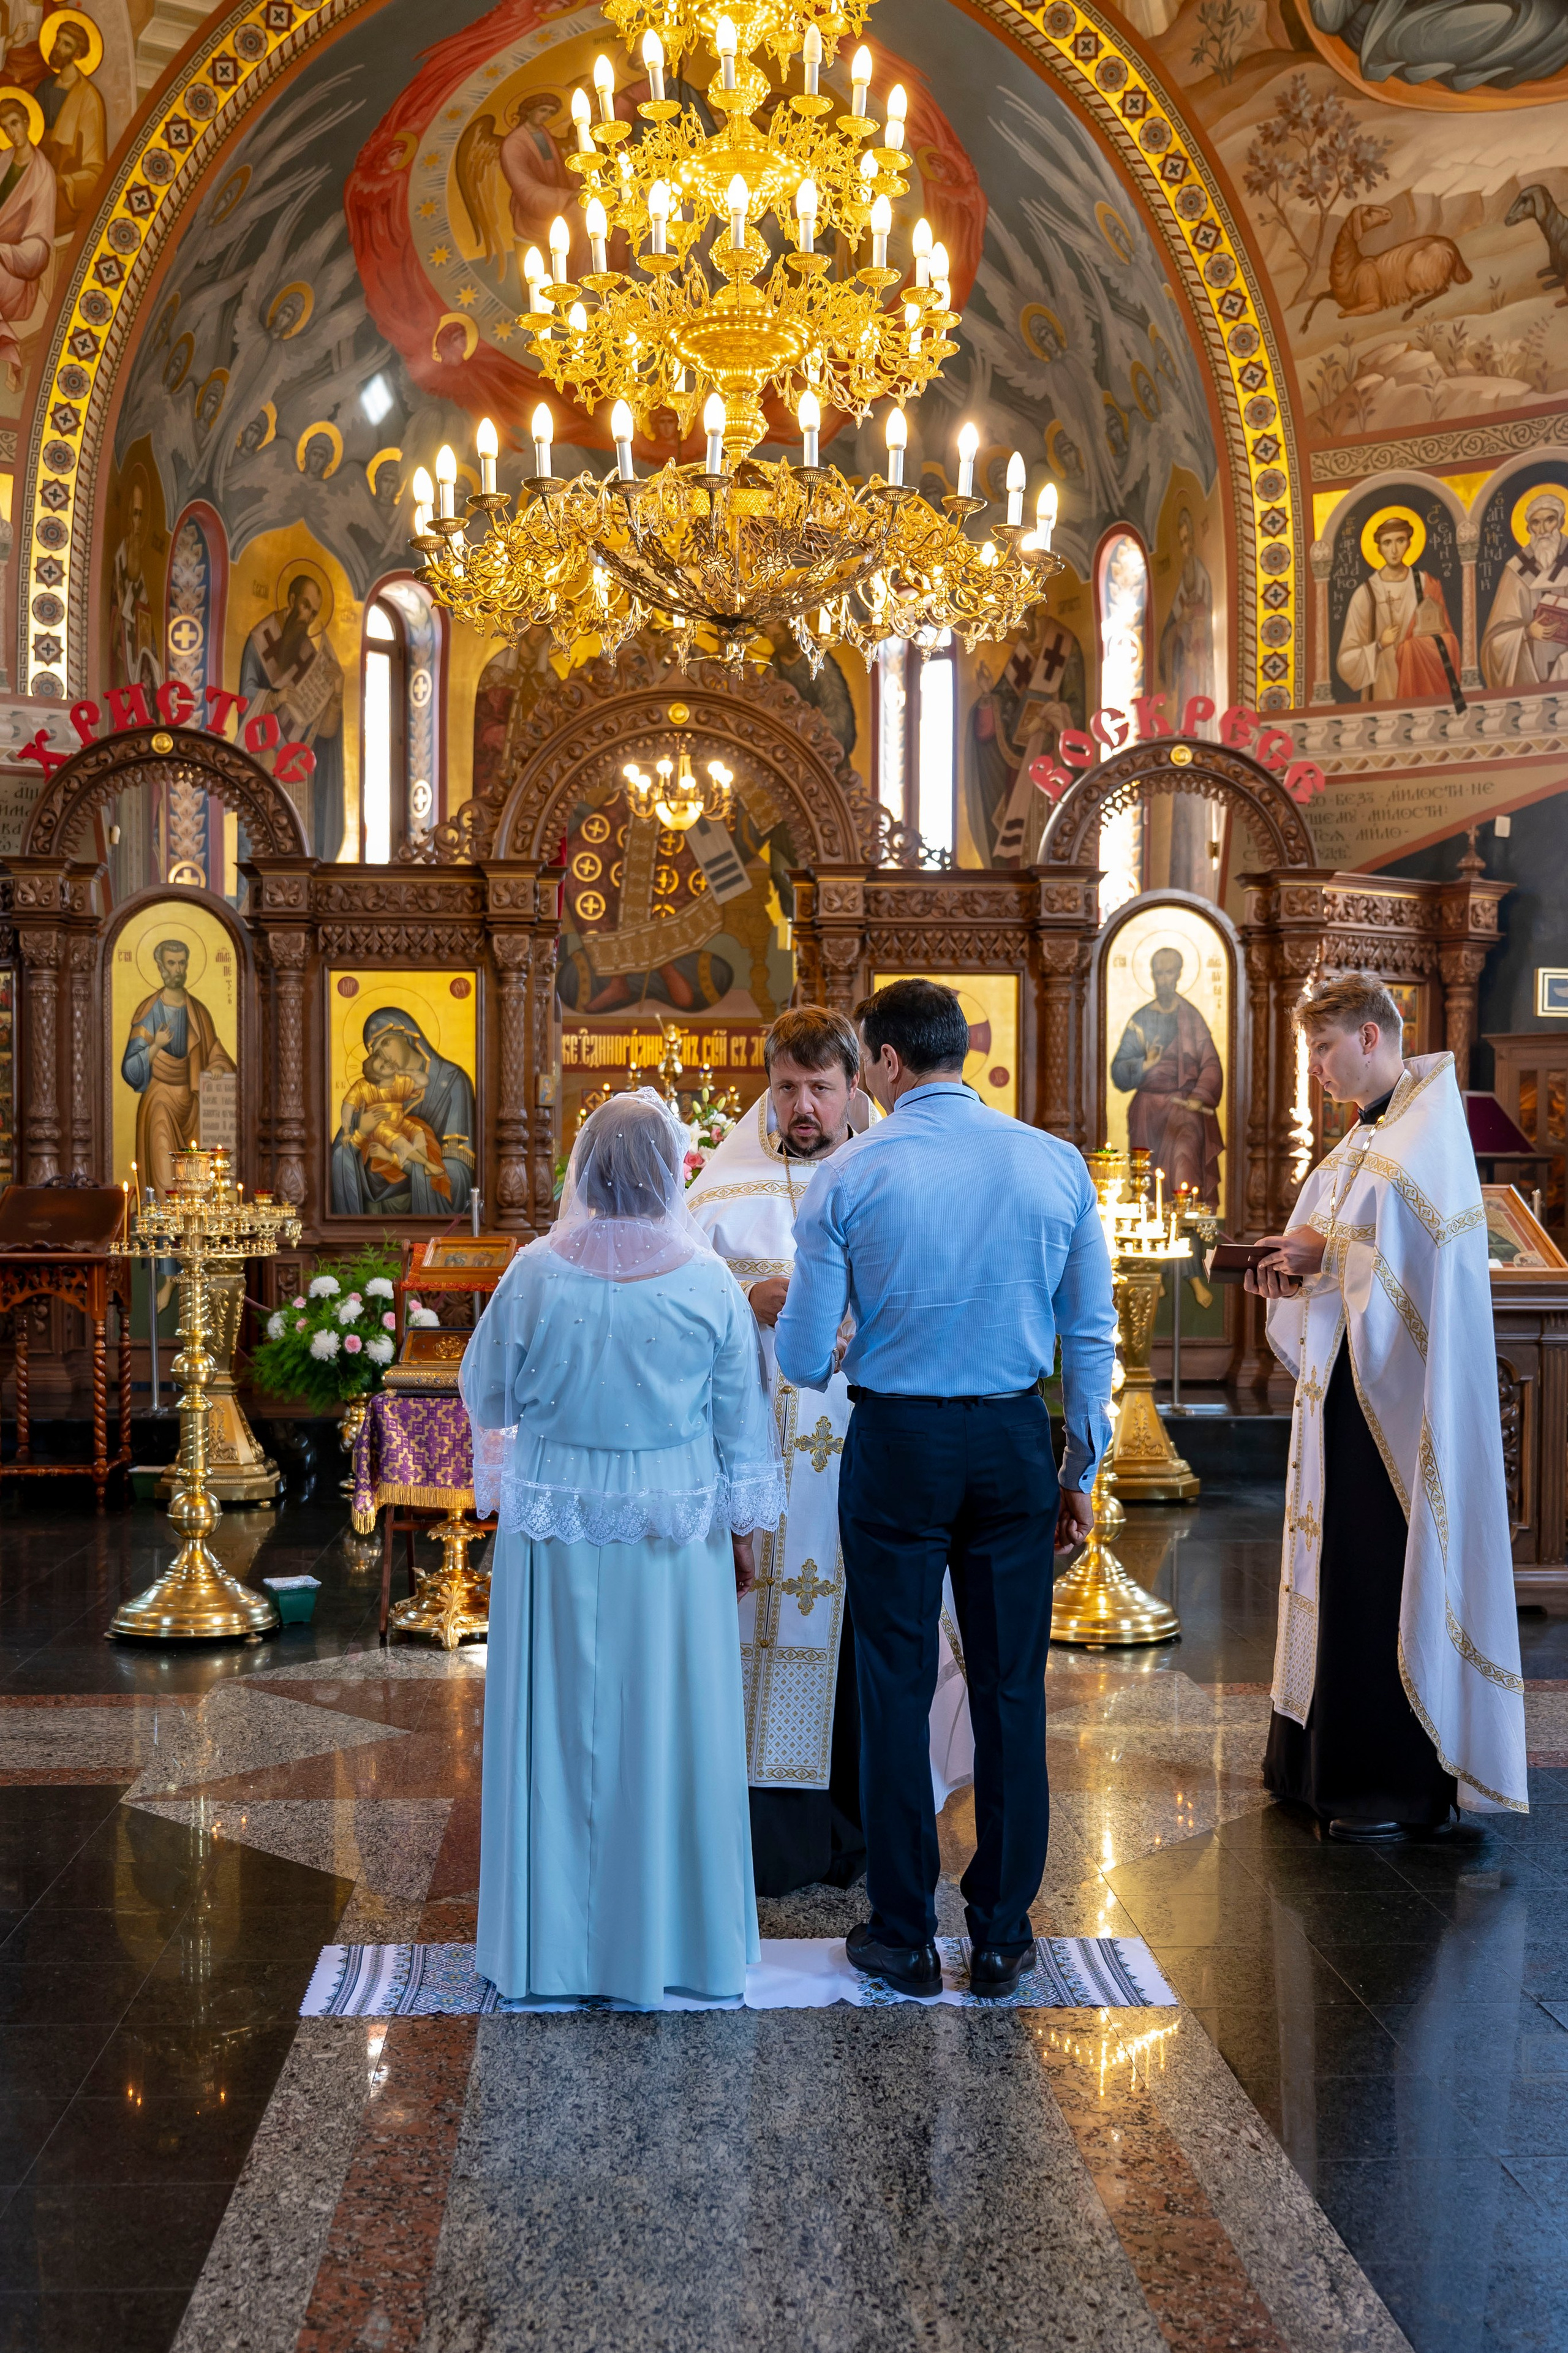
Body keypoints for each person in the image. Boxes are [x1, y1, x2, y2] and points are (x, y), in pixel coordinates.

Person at [777, 979, 1115, 2000]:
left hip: (898, 1442)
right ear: (962, 1052)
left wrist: (850, 1343)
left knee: (892, 1682)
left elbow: (799, 1356)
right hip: (1015, 1439)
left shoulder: (853, 1172)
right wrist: (1080, 1468)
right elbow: (1091, 1337)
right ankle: (1005, 1936)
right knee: (1012, 1686)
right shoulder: (1055, 1165)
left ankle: (904, 1935)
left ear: (880, 1063)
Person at [463, 1092, 784, 2006]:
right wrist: (746, 1535)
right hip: (672, 1537)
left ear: (586, 1171)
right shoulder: (708, 1281)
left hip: (557, 1528)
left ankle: (549, 1950)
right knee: (667, 1727)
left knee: (559, 1730)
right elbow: (741, 1427)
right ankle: (674, 1943)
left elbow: (488, 1391)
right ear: (673, 1171)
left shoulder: (531, 1272)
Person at [687, 1007, 973, 1900]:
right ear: (765, 1089)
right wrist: (748, 1297)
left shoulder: (894, 1175)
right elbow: (678, 1308)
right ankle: (758, 1837)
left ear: (858, 1085)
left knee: (867, 1644)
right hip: (758, 1464)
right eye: (786, 1087)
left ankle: (857, 1831)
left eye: (820, 1087)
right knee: (747, 1636)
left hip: (865, 1453)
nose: (802, 1105)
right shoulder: (715, 1200)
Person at [1250, 973, 1528, 1838]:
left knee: (1376, 1572)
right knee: (1333, 1571)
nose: (1318, 1070)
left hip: (1394, 1405)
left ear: (1372, 1036)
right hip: (1343, 1387)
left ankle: (1384, 1784)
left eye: (1325, 1050)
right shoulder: (1365, 1140)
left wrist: (1321, 1252)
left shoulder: (1425, 1134)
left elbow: (1405, 1257)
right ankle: (1313, 1763)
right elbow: (1339, 1247)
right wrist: (1295, 1265)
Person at [237, 574, 345, 859]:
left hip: (299, 771)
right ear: (292, 600)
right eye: (305, 606)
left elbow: (324, 732)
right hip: (265, 762)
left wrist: (336, 693)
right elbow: (244, 696)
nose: (308, 616)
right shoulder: (261, 640)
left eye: (314, 612)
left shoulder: (309, 653)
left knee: (299, 850)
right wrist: (274, 698)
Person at [330, 1006, 476, 1215]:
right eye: (375, 1051)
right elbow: (342, 1155)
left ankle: (422, 1160)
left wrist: (401, 1164)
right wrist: (360, 1132)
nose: (382, 1054)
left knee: (417, 1133)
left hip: (422, 1207)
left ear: (407, 1036)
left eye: (386, 1042)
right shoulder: (370, 1088)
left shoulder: (451, 1081)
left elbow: (460, 1167)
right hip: (374, 1213)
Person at [121, 939, 236, 1193]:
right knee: (164, 1176)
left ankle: (197, 1232)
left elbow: (215, 1051)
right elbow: (130, 1067)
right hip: (159, 1099)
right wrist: (155, 1046)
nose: (177, 970)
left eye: (182, 963)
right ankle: (163, 1232)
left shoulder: (198, 1011)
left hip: (193, 1103)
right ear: (161, 967)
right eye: (171, 963)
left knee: (198, 1182)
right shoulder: (149, 1011)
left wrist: (217, 1067)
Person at [1109, 946, 1223, 1203]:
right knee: (1146, 1177)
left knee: (1185, 1164)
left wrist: (1199, 1095)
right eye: (1158, 974)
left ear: (1178, 974)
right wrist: (1144, 1065)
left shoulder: (1191, 1018)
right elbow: (1119, 1071)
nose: (1163, 980)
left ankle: (1186, 1229)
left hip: (1184, 1108)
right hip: (1147, 1110)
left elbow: (1211, 1063)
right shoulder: (1140, 1020)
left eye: (1168, 973)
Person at [1336, 516, 1460, 704]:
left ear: (1409, 543)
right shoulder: (1365, 595)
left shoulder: (1427, 585)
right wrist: (1379, 645)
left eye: (1400, 541)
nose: (1394, 550)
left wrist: (1413, 649)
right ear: (1379, 548)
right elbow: (1346, 662)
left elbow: (1447, 641)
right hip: (1382, 690)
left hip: (1421, 688)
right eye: (1387, 543)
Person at [1480, 492, 1568, 692]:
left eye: (1550, 520)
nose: (1543, 530)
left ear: (1561, 521)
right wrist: (1527, 633)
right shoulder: (1516, 570)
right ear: (1529, 528)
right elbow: (1494, 642)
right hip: (1531, 681)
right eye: (1536, 523)